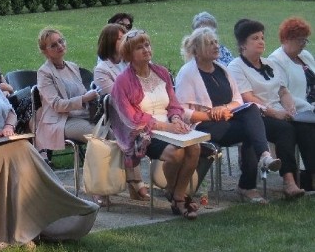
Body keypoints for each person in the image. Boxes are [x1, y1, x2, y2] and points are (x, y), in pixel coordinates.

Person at [0, 36, 98, 247]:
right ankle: (4, 231)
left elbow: (10, 111)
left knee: (23, 149)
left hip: (1, 143)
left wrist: (9, 128)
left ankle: (54, 212)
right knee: (4, 156)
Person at [175, 27, 280, 204]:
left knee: (252, 110)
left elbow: (238, 100)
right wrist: (211, 115)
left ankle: (264, 157)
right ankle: (247, 187)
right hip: (202, 125)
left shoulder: (222, 69)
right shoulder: (187, 73)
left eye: (216, 42)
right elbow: (182, 112)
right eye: (210, 43)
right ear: (197, 50)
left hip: (226, 118)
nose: (216, 46)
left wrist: (224, 108)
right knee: (251, 130)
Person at [110, 30, 201, 218]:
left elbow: (174, 104)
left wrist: (175, 118)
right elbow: (130, 118)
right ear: (128, 54)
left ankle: (176, 193)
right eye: (139, 47)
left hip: (169, 126)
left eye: (147, 45)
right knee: (176, 153)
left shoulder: (161, 73)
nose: (145, 50)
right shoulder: (122, 81)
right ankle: (179, 199)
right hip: (141, 134)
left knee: (195, 148)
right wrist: (166, 127)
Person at [227, 19, 308, 198]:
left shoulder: (268, 63)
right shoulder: (236, 67)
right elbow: (247, 98)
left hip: (278, 112)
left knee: (306, 126)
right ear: (242, 45)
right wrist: (275, 113)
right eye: (255, 38)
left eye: (262, 37)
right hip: (253, 114)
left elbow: (283, 90)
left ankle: (310, 175)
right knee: (285, 130)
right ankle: (289, 181)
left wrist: (290, 108)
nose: (261, 41)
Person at [93, 23, 149, 200]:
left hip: (139, 111)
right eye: (120, 38)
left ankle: (161, 181)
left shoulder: (131, 63)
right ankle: (134, 182)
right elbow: (117, 97)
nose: (126, 39)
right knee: (130, 133)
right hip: (114, 117)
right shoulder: (102, 69)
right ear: (110, 42)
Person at [35, 28, 98, 159]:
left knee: (115, 134)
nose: (60, 46)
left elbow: (82, 93)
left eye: (61, 41)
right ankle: (98, 176)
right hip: (61, 121)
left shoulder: (72, 67)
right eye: (53, 45)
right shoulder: (44, 73)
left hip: (82, 115)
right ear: (45, 51)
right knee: (99, 137)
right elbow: (57, 105)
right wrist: (84, 98)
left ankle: (129, 177)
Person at [268, 17, 315, 112]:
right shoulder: (276, 60)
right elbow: (283, 95)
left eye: (305, 40)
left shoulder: (306, 56)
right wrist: (311, 108)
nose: (303, 44)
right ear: (286, 39)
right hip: (302, 112)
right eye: (300, 40)